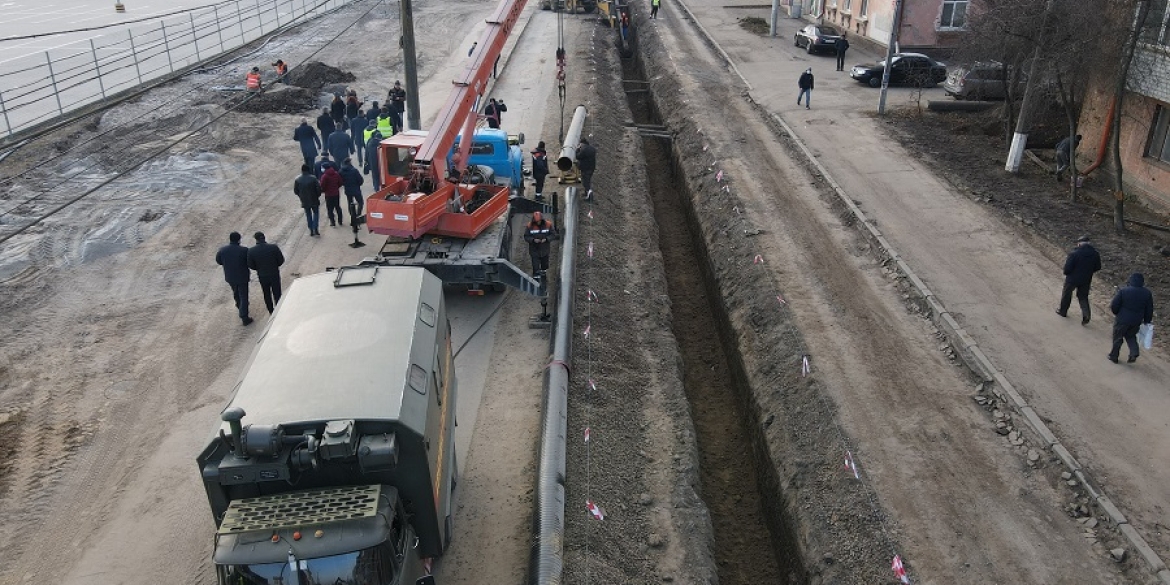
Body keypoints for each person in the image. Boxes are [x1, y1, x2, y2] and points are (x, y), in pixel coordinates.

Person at [1108, 273, 1154, 363]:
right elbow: (1149, 309)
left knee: (1118, 337)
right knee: (1131, 336)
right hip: (1136, 320)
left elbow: (1115, 304)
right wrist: (1147, 320)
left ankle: (1114, 356)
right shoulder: (1147, 293)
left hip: (1122, 319)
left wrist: (1116, 313)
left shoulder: (1124, 291)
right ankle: (1134, 352)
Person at [1056, 235, 1102, 324]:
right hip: (1086, 279)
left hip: (1072, 278)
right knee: (1083, 297)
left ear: (1079, 244)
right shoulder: (1095, 254)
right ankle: (1086, 315)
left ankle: (1063, 311)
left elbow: (1067, 268)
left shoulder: (1074, 253)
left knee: (1067, 294)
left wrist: (1067, 273)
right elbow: (1098, 267)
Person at [215, 232, 253, 326]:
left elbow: (219, 261)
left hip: (230, 276)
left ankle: (240, 307)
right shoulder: (244, 250)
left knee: (236, 293)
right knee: (243, 296)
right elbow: (249, 262)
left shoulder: (222, 250)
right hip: (242, 276)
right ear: (239, 239)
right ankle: (244, 316)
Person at [247, 232, 285, 314]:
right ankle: (279, 309)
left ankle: (271, 311)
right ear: (264, 237)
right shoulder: (273, 247)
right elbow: (281, 260)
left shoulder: (251, 251)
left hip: (262, 275)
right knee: (277, 292)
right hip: (274, 273)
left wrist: (258, 268)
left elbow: (250, 265)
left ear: (256, 239)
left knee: (266, 293)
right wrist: (275, 266)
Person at [524, 211, 558, 278]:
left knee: (544, 263)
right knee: (535, 264)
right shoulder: (529, 226)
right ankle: (536, 275)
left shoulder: (548, 225)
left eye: (539, 221)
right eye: (536, 221)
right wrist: (533, 240)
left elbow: (553, 235)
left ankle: (543, 273)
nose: (538, 222)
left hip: (545, 249)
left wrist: (546, 239)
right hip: (534, 249)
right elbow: (526, 236)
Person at [294, 164, 323, 236]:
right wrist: (317, 195)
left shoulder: (297, 179)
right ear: (308, 170)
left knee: (308, 215)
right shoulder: (313, 178)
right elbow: (318, 189)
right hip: (314, 199)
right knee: (316, 213)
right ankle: (315, 227)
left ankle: (311, 230)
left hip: (304, 200)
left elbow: (295, 191)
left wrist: (301, 196)